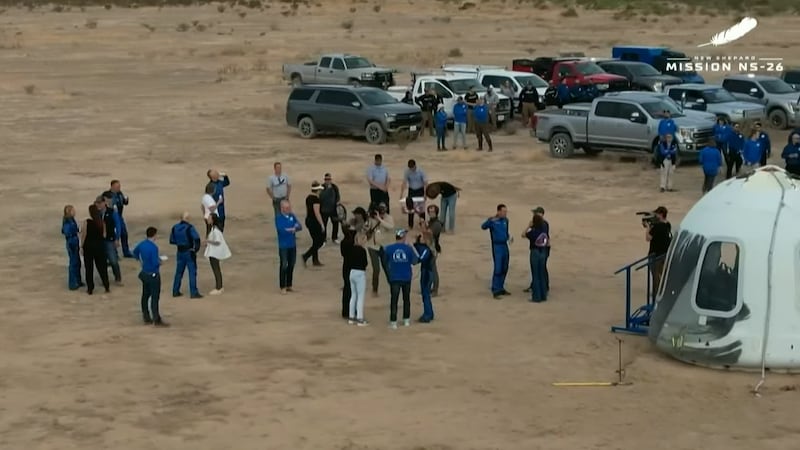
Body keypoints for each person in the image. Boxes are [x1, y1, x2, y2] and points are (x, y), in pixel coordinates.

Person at [384, 229, 420, 329]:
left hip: (394, 277)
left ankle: (393, 321)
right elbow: (415, 261)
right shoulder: (408, 249)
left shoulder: (389, 248)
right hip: (406, 277)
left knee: (394, 300)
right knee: (406, 299)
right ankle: (406, 320)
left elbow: (385, 261)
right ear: (403, 237)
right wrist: (412, 247)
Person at [133, 226, 168, 327]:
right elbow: (154, 263)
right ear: (154, 235)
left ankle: (146, 316)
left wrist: (140, 261)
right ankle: (156, 319)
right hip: (153, 274)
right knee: (154, 297)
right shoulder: (154, 247)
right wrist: (160, 262)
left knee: (145, 295)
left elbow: (135, 252)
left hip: (145, 273)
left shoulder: (142, 244)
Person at [481, 204, 512, 299]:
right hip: (497, 246)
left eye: (506, 212)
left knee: (505, 267)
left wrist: (509, 237)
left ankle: (501, 287)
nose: (505, 213)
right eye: (503, 211)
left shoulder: (506, 221)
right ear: (498, 212)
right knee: (498, 267)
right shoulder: (493, 221)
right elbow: (483, 227)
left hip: (505, 245)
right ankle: (495, 289)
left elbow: (506, 232)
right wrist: (489, 220)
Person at [169, 211, 202, 299]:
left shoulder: (175, 227)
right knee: (192, 272)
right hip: (189, 252)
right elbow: (197, 238)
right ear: (187, 219)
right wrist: (195, 249)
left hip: (179, 252)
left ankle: (175, 291)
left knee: (179, 272)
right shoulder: (190, 228)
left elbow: (172, 241)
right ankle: (193, 292)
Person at [80, 204, 110, 295]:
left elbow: (84, 235)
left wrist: (81, 246)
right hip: (100, 247)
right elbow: (104, 235)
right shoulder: (102, 222)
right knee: (102, 268)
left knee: (89, 268)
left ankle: (90, 289)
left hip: (89, 247)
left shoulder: (87, 222)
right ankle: (106, 286)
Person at [366, 202, 394, 296]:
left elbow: (390, 227)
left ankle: (393, 287)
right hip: (372, 246)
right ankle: (375, 289)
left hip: (384, 246)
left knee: (387, 268)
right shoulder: (371, 218)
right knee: (376, 269)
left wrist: (379, 219)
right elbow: (365, 229)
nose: (382, 211)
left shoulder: (388, 218)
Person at [275, 199, 302, 294]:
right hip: (283, 246)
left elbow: (300, 226)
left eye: (289, 207)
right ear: (282, 208)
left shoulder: (292, 216)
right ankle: (282, 286)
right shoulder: (278, 218)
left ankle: (289, 285)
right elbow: (281, 230)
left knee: (291, 264)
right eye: (287, 208)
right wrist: (293, 228)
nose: (289, 209)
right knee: (283, 265)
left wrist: (294, 228)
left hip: (292, 245)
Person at [645, 206, 672, 298]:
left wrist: (648, 228)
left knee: (655, 275)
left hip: (655, 254)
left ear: (660, 214)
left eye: (657, 214)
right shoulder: (667, 224)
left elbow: (648, 238)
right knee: (663, 274)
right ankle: (663, 291)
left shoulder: (657, 226)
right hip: (665, 253)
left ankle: (657, 294)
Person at [98, 193, 123, 286]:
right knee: (101, 261)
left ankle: (118, 278)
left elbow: (118, 225)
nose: (99, 205)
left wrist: (117, 238)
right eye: (98, 203)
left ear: (104, 203)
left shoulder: (112, 212)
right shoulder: (96, 213)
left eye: (100, 203)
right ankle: (105, 279)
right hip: (100, 240)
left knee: (113, 260)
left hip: (109, 239)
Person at [524, 214, 549, 303]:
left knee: (535, 275)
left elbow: (523, 234)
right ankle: (543, 295)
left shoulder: (533, 232)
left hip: (535, 252)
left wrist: (528, 226)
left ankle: (537, 297)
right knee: (541, 274)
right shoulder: (544, 229)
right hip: (543, 251)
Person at [204, 213, 230, 295]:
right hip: (213, 252)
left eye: (209, 218)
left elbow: (218, 242)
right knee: (216, 269)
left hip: (214, 253)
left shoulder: (216, 231)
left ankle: (219, 287)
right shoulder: (213, 229)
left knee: (216, 270)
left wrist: (208, 241)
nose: (207, 219)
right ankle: (219, 286)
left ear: (212, 220)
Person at [347, 230, 369, 326]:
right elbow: (365, 263)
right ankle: (360, 319)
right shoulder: (362, 250)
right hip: (360, 273)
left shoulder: (350, 249)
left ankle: (351, 317)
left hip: (352, 272)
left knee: (353, 295)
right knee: (360, 296)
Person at [413, 231, 436, 322]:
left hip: (427, 273)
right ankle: (429, 313)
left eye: (422, 237)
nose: (420, 238)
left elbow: (420, 259)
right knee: (426, 294)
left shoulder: (427, 250)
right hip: (427, 272)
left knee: (425, 294)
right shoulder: (427, 248)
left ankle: (428, 314)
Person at [302, 181, 326, 267]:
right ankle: (306, 256)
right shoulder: (316, 200)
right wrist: (322, 224)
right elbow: (317, 213)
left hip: (309, 220)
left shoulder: (308, 198)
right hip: (314, 222)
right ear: (318, 190)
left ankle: (315, 260)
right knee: (319, 242)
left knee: (315, 241)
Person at [400, 159, 428, 229]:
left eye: (412, 168)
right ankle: (410, 225)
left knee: (421, 208)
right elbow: (404, 182)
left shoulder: (421, 171)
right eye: (410, 168)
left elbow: (425, 183)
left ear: (415, 166)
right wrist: (401, 193)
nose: (411, 170)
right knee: (410, 207)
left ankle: (422, 224)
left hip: (420, 190)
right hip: (411, 190)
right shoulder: (407, 171)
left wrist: (425, 194)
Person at [62, 205, 84, 291]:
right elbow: (66, 232)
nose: (74, 212)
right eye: (73, 210)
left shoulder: (71, 220)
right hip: (72, 242)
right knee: (73, 263)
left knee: (77, 262)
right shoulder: (67, 221)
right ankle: (72, 283)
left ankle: (78, 281)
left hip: (74, 241)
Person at [109, 180, 133, 258]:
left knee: (124, 233)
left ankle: (126, 251)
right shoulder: (108, 195)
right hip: (112, 217)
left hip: (119, 216)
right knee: (114, 235)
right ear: (112, 186)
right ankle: (114, 254)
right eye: (117, 187)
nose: (119, 188)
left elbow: (124, 203)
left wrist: (126, 200)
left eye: (119, 186)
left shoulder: (120, 193)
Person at [424, 205, 443, 296]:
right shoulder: (431, 222)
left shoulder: (436, 224)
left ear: (436, 212)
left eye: (432, 212)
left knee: (433, 269)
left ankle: (435, 289)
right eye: (429, 211)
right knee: (429, 269)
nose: (430, 213)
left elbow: (429, 233)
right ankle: (430, 288)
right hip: (429, 247)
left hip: (432, 249)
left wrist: (423, 227)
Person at [319, 172, 342, 244]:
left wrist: (338, 202)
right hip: (324, 210)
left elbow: (338, 196)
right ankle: (323, 239)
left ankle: (334, 237)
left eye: (329, 179)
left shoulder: (335, 187)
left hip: (333, 209)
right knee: (323, 224)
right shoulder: (321, 187)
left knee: (335, 223)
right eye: (326, 179)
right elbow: (321, 197)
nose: (328, 180)